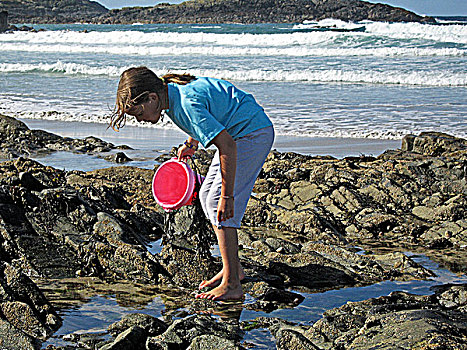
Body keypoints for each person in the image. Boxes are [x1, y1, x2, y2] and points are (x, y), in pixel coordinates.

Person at [110, 67, 274, 301]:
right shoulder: (172, 95)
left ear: (152, 98)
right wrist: (192, 142)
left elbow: (226, 145)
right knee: (207, 198)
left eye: (138, 113)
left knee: (219, 203)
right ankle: (234, 268)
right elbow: (209, 112)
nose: (140, 120)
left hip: (251, 133)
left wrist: (228, 197)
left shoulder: (186, 105)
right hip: (237, 132)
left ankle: (232, 285)